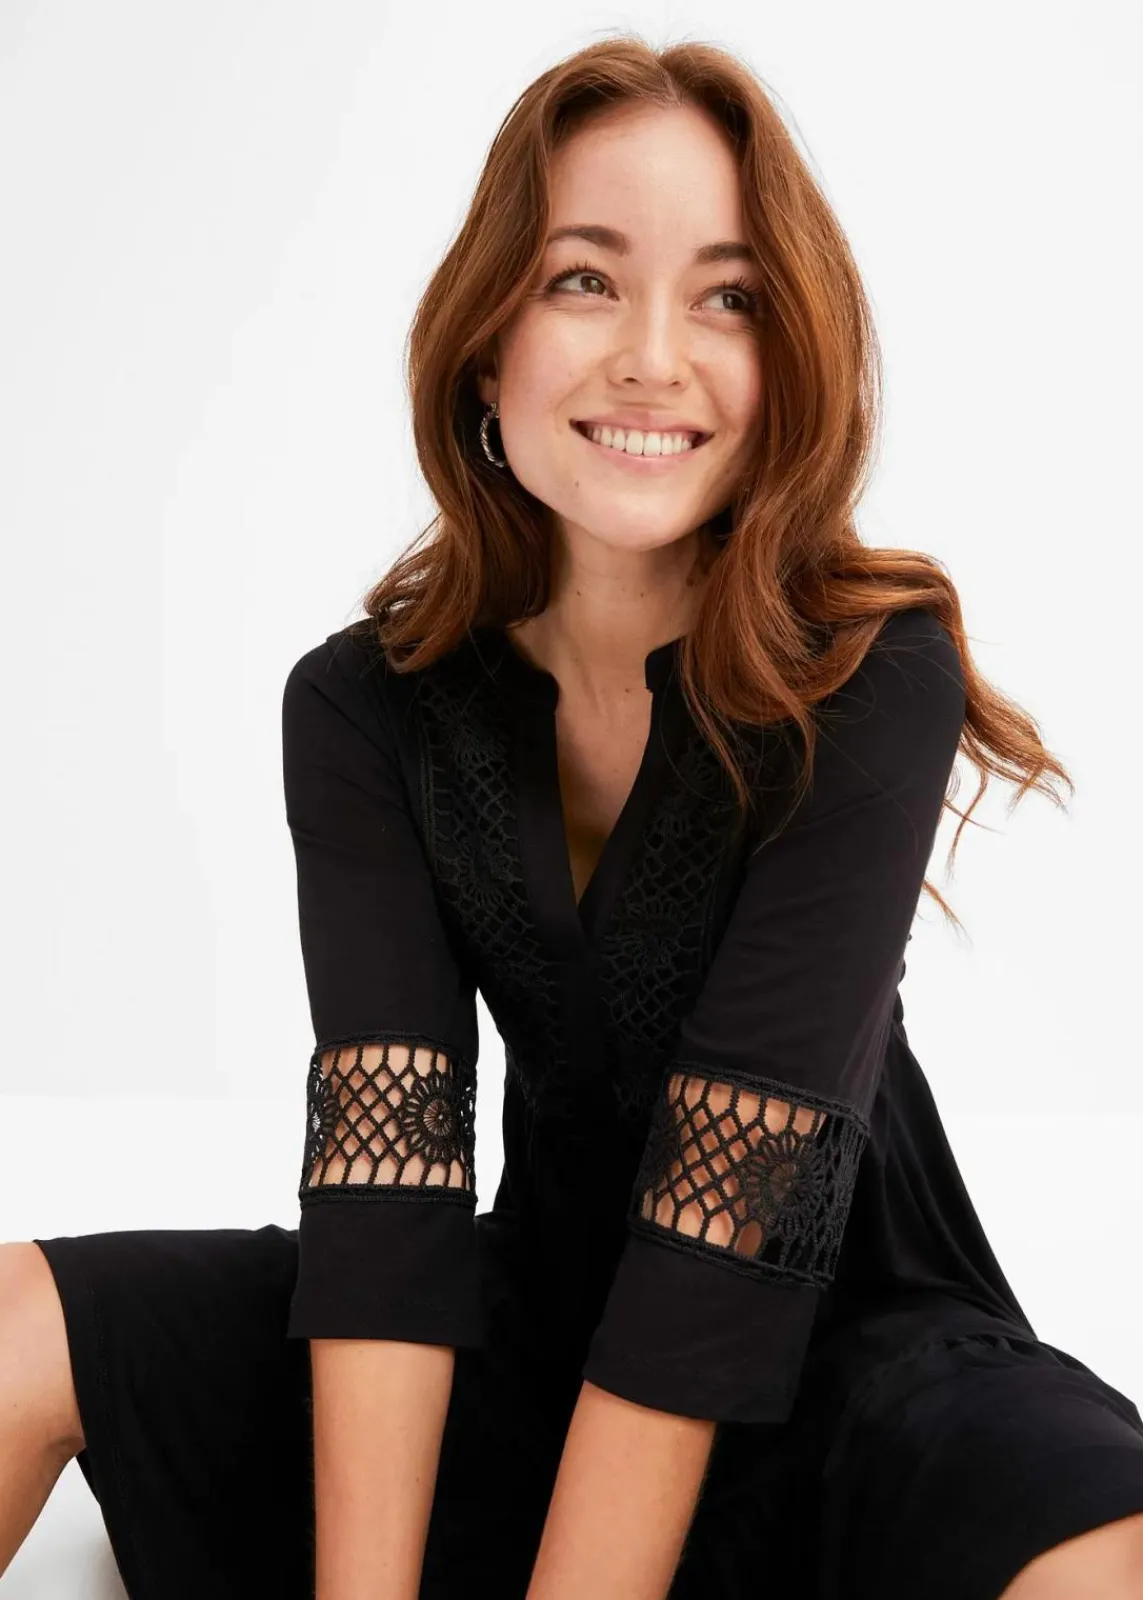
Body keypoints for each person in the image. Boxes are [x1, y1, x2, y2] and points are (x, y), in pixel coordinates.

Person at [3, 32, 1143, 1600]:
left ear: (790, 360)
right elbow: (388, 1181)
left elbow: (725, 1221)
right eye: (585, 280)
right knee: (18, 1318)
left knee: (1102, 1547)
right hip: (534, 1328)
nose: (653, 359)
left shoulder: (871, 673)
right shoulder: (363, 705)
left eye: (728, 297)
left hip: (848, 1360)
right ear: (487, 342)